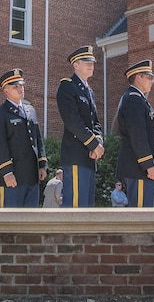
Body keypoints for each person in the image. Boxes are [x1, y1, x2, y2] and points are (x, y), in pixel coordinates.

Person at [0, 68, 47, 207]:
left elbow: (38, 140)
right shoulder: (0, 113)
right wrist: (7, 172)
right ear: (6, 91)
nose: (20, 88)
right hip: (13, 176)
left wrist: (42, 164)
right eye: (15, 86)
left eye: (21, 85)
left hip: (32, 175)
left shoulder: (30, 110)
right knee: (10, 222)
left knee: (30, 222)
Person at [56, 45, 104, 207]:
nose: (91, 65)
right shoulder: (68, 86)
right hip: (76, 154)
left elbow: (95, 122)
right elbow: (72, 121)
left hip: (90, 157)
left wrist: (98, 143)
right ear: (75, 65)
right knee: (76, 206)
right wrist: (93, 144)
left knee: (87, 206)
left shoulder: (89, 91)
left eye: (92, 62)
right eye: (86, 61)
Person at [115, 59, 154, 207]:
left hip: (140, 169)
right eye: (148, 77)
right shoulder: (134, 100)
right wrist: (148, 164)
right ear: (138, 77)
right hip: (138, 169)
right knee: (141, 216)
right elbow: (138, 135)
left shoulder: (140, 100)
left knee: (145, 216)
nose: (151, 80)